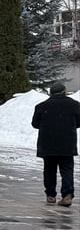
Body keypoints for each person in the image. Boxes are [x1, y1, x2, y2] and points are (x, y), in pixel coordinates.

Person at [33, 80, 79, 208]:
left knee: (49, 170)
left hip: (48, 144)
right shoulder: (75, 105)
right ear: (64, 92)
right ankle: (67, 195)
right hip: (67, 144)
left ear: (51, 93)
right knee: (67, 170)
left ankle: (51, 195)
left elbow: (35, 124)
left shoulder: (41, 106)